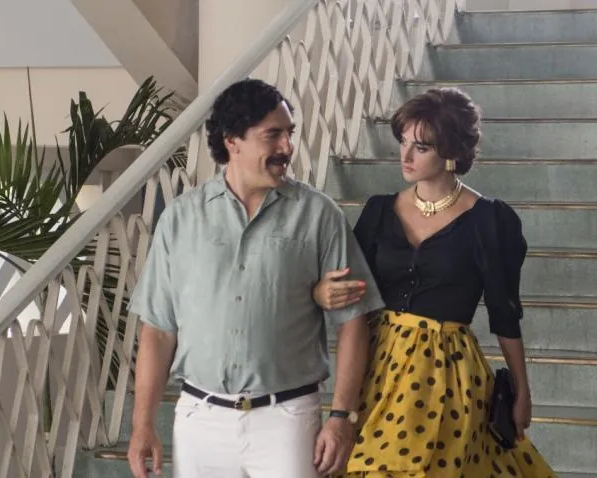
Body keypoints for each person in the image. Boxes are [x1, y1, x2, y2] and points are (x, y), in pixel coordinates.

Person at [126, 78, 385, 478]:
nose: (287, 146)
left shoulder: (319, 215)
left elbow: (352, 323)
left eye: (289, 133)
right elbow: (158, 331)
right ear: (232, 140)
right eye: (273, 135)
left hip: (287, 418)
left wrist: (341, 417)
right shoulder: (181, 218)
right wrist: (143, 423)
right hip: (199, 421)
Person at [313, 87, 555, 476]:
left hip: (446, 372)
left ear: (452, 153)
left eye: (421, 147)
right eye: (403, 142)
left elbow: (505, 314)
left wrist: (522, 391)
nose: (405, 156)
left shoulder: (491, 221)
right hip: (378, 369)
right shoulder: (378, 211)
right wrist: (321, 292)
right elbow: (352, 295)